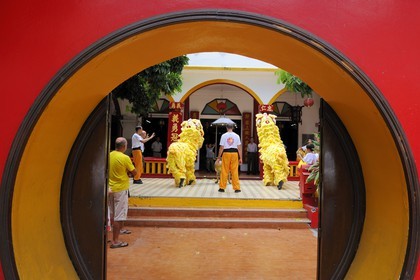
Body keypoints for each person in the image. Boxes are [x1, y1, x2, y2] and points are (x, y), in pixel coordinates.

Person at [108, 137, 137, 249]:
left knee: (112, 213)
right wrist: (128, 173)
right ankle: (115, 241)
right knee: (119, 216)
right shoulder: (125, 158)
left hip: (110, 188)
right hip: (121, 189)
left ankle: (113, 234)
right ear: (124, 146)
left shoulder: (109, 155)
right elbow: (134, 172)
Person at [216, 123, 242, 193]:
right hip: (234, 154)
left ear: (226, 128)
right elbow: (239, 148)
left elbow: (221, 147)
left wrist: (218, 157)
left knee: (224, 170)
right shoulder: (237, 136)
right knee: (234, 171)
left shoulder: (224, 135)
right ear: (232, 128)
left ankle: (222, 187)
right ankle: (237, 188)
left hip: (226, 153)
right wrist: (241, 158)